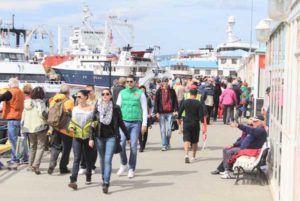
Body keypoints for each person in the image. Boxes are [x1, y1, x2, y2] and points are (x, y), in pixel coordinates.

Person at [90, 88, 129, 193]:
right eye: (103, 94)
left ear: (111, 96)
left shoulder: (116, 108)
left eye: (107, 94)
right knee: (102, 160)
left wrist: (127, 136)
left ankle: (106, 182)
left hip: (111, 137)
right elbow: (92, 124)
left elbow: (120, 123)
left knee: (107, 160)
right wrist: (90, 138)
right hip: (99, 137)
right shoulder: (97, 107)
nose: (105, 96)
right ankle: (104, 177)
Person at [116, 75, 148, 178]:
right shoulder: (122, 93)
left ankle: (131, 168)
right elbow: (117, 108)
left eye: (131, 81)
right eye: (127, 81)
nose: (129, 83)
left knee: (133, 146)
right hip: (124, 122)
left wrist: (144, 124)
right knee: (121, 143)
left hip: (136, 122)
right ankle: (123, 164)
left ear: (135, 82)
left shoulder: (140, 93)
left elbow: (144, 109)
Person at [68, 90, 94, 190]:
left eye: (79, 97)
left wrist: (93, 126)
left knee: (88, 158)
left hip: (88, 136)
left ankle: (88, 175)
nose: (77, 98)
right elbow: (72, 122)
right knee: (76, 158)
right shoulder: (74, 109)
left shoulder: (91, 108)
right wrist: (71, 127)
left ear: (86, 97)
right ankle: (73, 180)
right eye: (76, 97)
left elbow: (95, 122)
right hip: (77, 136)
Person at [48, 85, 74, 175]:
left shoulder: (53, 100)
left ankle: (52, 163)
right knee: (66, 150)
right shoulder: (69, 102)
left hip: (55, 128)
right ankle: (63, 168)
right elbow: (72, 115)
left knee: (55, 147)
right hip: (66, 130)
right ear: (68, 92)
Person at [21, 87, 48, 174]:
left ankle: (30, 165)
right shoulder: (40, 102)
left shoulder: (26, 102)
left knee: (32, 147)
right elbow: (42, 114)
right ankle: (35, 165)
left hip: (29, 127)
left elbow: (23, 116)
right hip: (40, 126)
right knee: (41, 146)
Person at [178, 85, 207, 163]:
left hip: (186, 122)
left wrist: (179, 123)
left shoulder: (185, 101)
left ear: (190, 93)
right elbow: (201, 116)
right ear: (196, 95)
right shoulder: (198, 103)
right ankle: (193, 157)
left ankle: (186, 155)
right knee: (194, 141)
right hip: (195, 123)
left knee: (186, 139)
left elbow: (179, 112)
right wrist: (203, 127)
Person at [0, 78, 25, 166]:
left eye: (8, 85)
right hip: (19, 118)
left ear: (10, 85)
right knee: (20, 140)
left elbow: (1, 98)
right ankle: (24, 157)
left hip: (12, 119)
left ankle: (15, 158)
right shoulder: (21, 92)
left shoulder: (11, 92)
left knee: (13, 140)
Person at [154, 76, 178, 151]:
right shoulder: (159, 91)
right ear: (162, 82)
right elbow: (156, 102)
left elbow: (175, 101)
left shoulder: (172, 91)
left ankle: (167, 142)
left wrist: (176, 110)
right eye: (164, 81)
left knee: (169, 130)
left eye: (166, 81)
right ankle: (164, 145)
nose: (165, 83)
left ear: (168, 82)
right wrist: (156, 112)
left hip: (170, 112)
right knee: (162, 129)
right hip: (161, 113)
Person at [78, 85, 98, 175]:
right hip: (83, 127)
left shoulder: (98, 100)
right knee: (82, 148)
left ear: (94, 91)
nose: (88, 93)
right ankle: (83, 166)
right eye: (86, 91)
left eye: (90, 91)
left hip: (94, 126)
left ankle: (92, 166)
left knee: (93, 148)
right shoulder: (81, 100)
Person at [138, 85, 153, 152]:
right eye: (141, 90)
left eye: (143, 90)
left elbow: (150, 107)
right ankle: (141, 145)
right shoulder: (137, 97)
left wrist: (150, 114)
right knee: (139, 132)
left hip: (146, 116)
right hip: (138, 116)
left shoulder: (148, 98)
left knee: (145, 131)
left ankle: (143, 144)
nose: (142, 91)